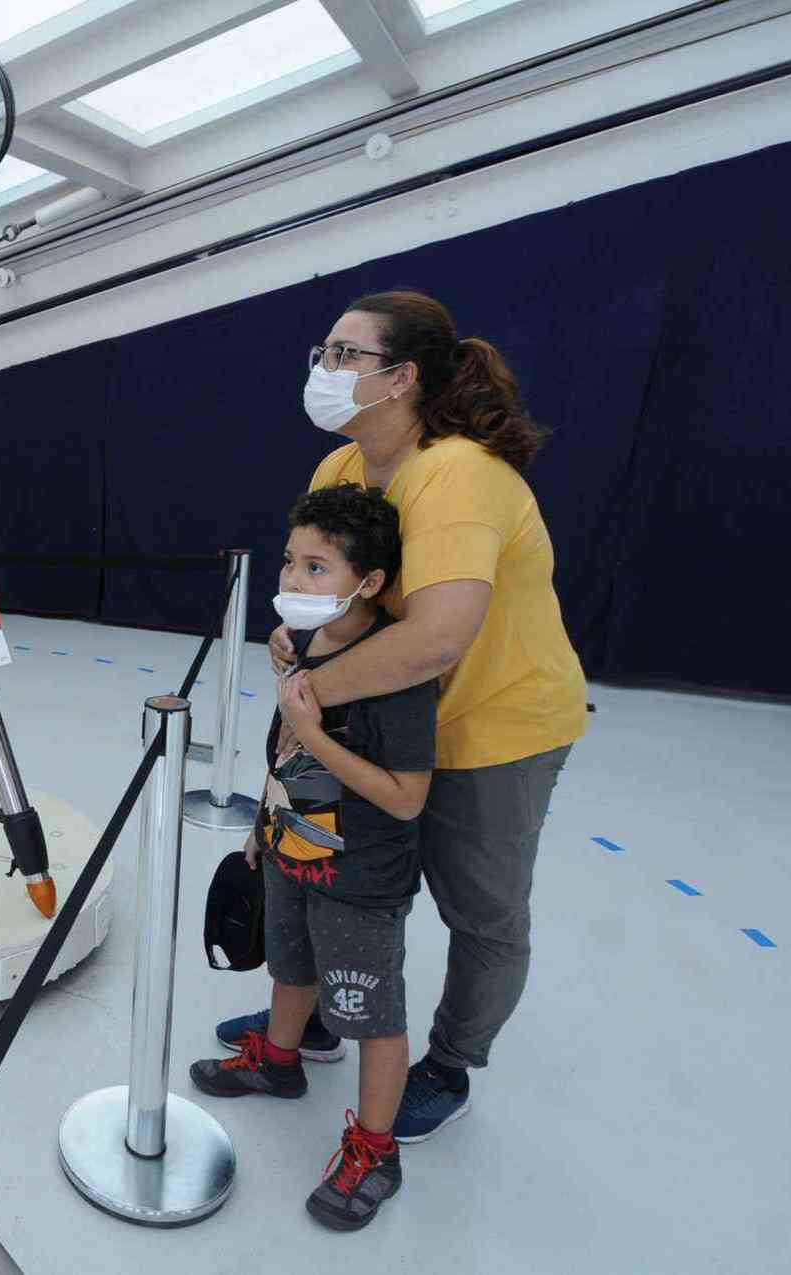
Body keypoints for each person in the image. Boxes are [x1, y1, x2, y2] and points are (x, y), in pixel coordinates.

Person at [213, 289, 587, 1142]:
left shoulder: (459, 473)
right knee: (333, 874)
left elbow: (437, 637)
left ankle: (449, 1062)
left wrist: (309, 696)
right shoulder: (340, 470)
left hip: (493, 725)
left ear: (403, 377)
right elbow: (344, 591)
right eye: (324, 353)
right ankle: (307, 1018)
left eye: (348, 356)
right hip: (373, 718)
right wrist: (300, 624)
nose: (326, 370)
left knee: (481, 910)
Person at [188, 482, 436, 1232]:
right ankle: (278, 1058)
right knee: (288, 968)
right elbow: (287, 749)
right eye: (292, 562)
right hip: (290, 851)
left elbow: (405, 797)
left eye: (317, 568)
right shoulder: (304, 644)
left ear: (369, 583)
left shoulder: (395, 674)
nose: (293, 581)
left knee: (369, 1010)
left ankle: (375, 1149)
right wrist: (263, 825)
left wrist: (316, 727)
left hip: (361, 877)